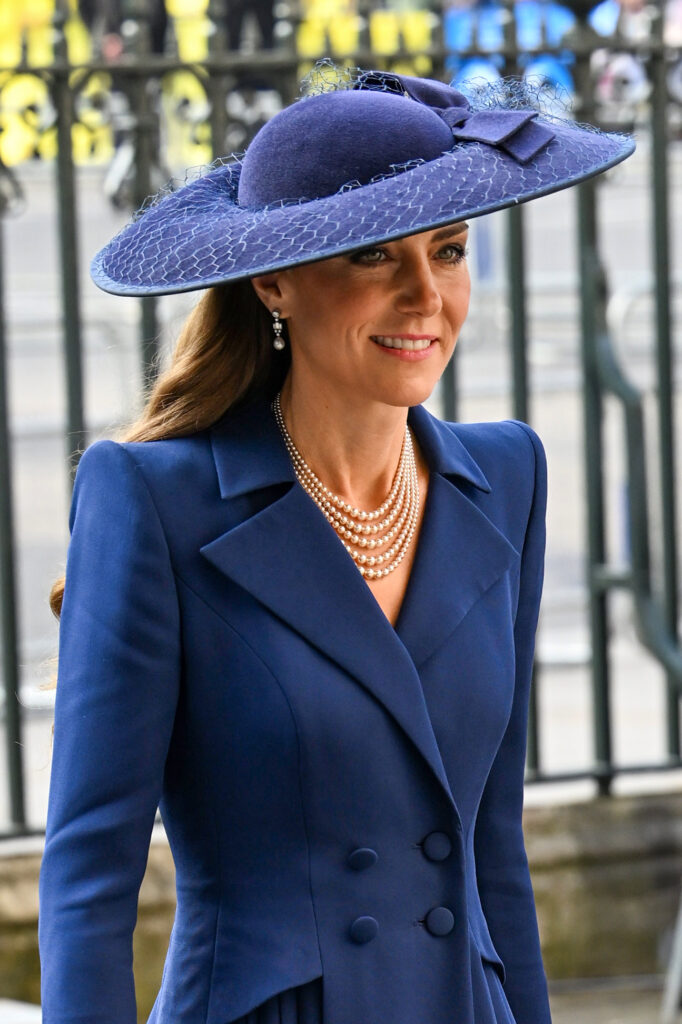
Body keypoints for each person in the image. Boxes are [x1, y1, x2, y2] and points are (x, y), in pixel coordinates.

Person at [38, 64, 633, 1024]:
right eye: (373, 257)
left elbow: (491, 845)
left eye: (449, 251)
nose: (426, 295)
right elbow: (89, 880)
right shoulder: (153, 499)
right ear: (274, 281)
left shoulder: (507, 476)